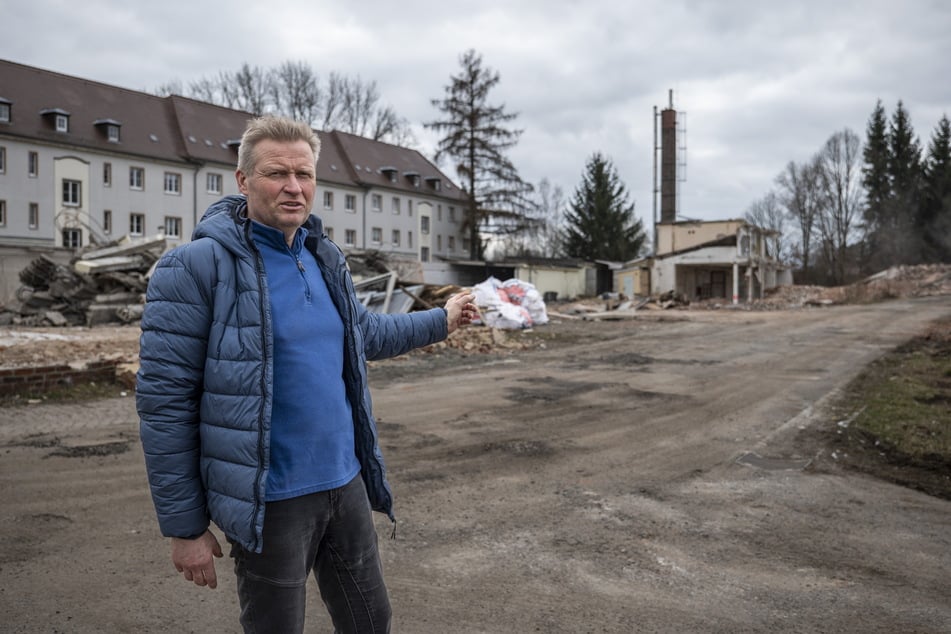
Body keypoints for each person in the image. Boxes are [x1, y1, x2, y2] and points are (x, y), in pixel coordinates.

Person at [137, 115, 477, 633]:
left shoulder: (324, 257)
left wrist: (443, 319)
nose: (294, 188)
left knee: (371, 620)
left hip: (346, 483)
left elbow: (364, 335)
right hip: (270, 502)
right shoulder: (195, 267)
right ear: (243, 180)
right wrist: (185, 528)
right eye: (277, 173)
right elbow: (165, 403)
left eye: (305, 174)